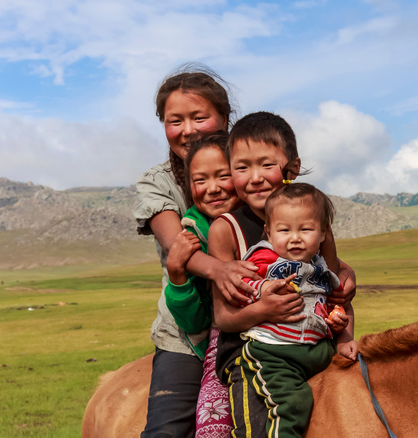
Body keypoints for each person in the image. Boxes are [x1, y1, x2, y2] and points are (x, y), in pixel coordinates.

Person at [207, 111, 357, 438]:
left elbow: (333, 294)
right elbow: (223, 317)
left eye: (266, 165)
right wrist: (263, 309)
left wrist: (344, 332)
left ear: (292, 168)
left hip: (316, 346)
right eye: (242, 167)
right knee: (266, 425)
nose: (255, 177)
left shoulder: (317, 226)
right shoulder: (225, 229)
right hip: (256, 351)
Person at [133, 65, 258, 437]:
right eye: (175, 121)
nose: (188, 130)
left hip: (262, 317)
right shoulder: (155, 182)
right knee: (165, 432)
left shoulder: (249, 167)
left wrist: (339, 270)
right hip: (189, 332)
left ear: (224, 117)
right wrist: (220, 269)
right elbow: (177, 244)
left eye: (199, 117)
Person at [240, 182, 357, 438]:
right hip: (274, 351)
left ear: (323, 233)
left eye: (306, 229)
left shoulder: (321, 269)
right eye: (284, 230)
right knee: (292, 405)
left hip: (317, 349)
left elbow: (334, 306)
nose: (295, 237)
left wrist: (338, 325)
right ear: (268, 233)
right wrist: (262, 290)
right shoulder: (264, 259)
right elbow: (241, 283)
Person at [161, 132, 244, 437]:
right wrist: (178, 277)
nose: (212, 189)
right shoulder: (193, 233)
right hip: (225, 344)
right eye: (200, 180)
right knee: (215, 421)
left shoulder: (268, 216)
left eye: (224, 176)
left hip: (285, 334)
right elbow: (194, 321)